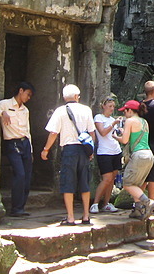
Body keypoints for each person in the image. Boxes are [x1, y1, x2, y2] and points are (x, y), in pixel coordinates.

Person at [40, 84, 97, 226]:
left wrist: (46, 149)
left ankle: (70, 217)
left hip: (69, 149)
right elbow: (92, 133)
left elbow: (53, 132)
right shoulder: (86, 110)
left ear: (64, 97)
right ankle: (86, 216)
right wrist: (90, 150)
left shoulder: (60, 111)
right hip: (84, 149)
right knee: (84, 183)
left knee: (68, 183)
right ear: (77, 96)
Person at [0, 81, 34, 217]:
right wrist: (3, 113)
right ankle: (15, 208)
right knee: (20, 174)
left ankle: (21, 207)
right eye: (28, 94)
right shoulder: (5, 104)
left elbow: (27, 130)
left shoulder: (25, 110)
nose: (29, 98)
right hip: (12, 143)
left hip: (25, 143)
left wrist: (31, 150)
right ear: (21, 91)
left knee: (27, 176)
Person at [114, 99, 154, 219]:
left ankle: (148, 202)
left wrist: (116, 136)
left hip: (139, 156)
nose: (124, 114)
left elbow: (125, 140)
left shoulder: (130, 121)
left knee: (127, 183)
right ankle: (138, 209)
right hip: (149, 155)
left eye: (125, 111)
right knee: (136, 184)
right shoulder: (144, 121)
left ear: (129, 110)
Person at [90, 95, 123, 214]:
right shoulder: (99, 117)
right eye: (109, 106)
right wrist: (113, 123)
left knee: (112, 179)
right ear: (103, 106)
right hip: (104, 152)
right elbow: (102, 133)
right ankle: (95, 203)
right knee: (106, 178)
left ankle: (106, 203)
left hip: (116, 151)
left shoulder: (112, 120)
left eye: (113, 106)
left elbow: (115, 135)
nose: (112, 108)